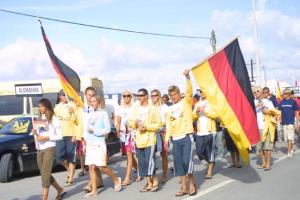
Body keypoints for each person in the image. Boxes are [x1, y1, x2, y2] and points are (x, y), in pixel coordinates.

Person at [164, 69, 197, 197]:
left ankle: (192, 184)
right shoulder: (170, 109)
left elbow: (189, 91)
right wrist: (166, 139)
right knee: (179, 164)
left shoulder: (186, 102)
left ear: (179, 94)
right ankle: (183, 187)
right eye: (171, 95)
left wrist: (188, 77)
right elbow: (169, 125)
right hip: (175, 139)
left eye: (175, 94)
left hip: (186, 136)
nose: (173, 97)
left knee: (187, 162)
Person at [83, 95, 122, 198]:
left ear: (99, 102)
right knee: (91, 167)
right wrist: (85, 142)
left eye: (94, 101)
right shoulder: (89, 114)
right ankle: (94, 191)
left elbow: (108, 130)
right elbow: (86, 130)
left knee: (101, 166)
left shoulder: (103, 113)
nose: (92, 103)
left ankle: (116, 179)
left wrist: (95, 131)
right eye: (90, 101)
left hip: (99, 143)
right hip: (90, 143)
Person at [128, 88, 161, 192]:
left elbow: (158, 124)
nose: (139, 97)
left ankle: (154, 180)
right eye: (138, 95)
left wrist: (146, 127)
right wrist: (136, 124)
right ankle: (149, 183)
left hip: (150, 139)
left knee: (149, 161)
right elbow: (131, 122)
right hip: (139, 140)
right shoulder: (136, 109)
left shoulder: (153, 108)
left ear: (146, 96)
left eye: (141, 95)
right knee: (142, 163)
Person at [32, 98, 65, 200]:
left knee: (45, 174)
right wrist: (34, 132)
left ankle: (44, 198)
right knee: (44, 173)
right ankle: (60, 189)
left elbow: (59, 135)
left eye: (42, 106)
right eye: (39, 106)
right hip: (40, 148)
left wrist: (46, 137)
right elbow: (39, 133)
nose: (40, 108)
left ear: (47, 106)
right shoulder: (40, 118)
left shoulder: (54, 119)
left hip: (50, 147)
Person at [82, 87, 104, 192]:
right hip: (85, 138)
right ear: (85, 95)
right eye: (89, 94)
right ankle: (99, 181)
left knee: (93, 163)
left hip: (95, 139)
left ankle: (91, 184)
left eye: (93, 94)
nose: (91, 96)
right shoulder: (82, 108)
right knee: (92, 164)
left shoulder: (97, 108)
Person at [115, 89, 140, 186]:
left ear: (131, 97)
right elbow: (118, 121)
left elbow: (137, 120)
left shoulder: (135, 107)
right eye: (124, 96)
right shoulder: (120, 108)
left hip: (132, 134)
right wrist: (117, 131)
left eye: (128, 95)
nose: (126, 97)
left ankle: (127, 178)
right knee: (129, 155)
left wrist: (134, 128)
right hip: (123, 134)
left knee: (129, 155)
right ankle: (139, 171)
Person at [54, 90, 78, 186]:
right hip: (59, 134)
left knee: (71, 156)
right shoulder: (56, 106)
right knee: (59, 157)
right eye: (62, 95)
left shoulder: (72, 104)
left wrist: (75, 134)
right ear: (59, 96)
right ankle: (69, 170)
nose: (64, 96)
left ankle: (71, 178)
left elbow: (77, 120)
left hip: (71, 133)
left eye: (66, 95)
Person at [193, 91, 217, 179]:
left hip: (210, 131)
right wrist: (196, 112)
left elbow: (216, 115)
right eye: (200, 91)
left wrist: (205, 111)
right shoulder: (197, 104)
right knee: (199, 151)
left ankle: (210, 171)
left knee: (209, 150)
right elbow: (193, 117)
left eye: (203, 90)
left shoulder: (211, 102)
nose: (202, 93)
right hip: (200, 131)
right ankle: (211, 162)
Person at [254, 87, 279, 170]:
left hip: (266, 127)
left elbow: (274, 112)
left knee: (268, 147)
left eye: (257, 91)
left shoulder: (268, 102)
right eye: (254, 92)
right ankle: (263, 162)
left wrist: (266, 111)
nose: (256, 92)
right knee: (260, 147)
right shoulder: (253, 102)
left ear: (261, 92)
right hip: (257, 127)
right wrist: (257, 105)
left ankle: (268, 163)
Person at [151, 89, 169, 183]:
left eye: (155, 95)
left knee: (163, 154)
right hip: (152, 133)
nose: (153, 97)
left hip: (162, 132)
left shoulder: (164, 107)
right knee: (151, 155)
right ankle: (153, 177)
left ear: (159, 96)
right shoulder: (150, 107)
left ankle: (164, 175)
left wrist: (162, 126)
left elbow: (167, 121)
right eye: (152, 96)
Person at [278, 88, 299, 158]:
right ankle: (291, 148)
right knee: (287, 138)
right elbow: (280, 112)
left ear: (288, 94)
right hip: (284, 123)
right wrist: (279, 119)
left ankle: (289, 152)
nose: (283, 95)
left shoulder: (293, 102)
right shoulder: (281, 102)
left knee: (290, 137)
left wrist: (296, 122)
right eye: (283, 93)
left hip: (291, 122)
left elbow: (297, 112)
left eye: (284, 93)